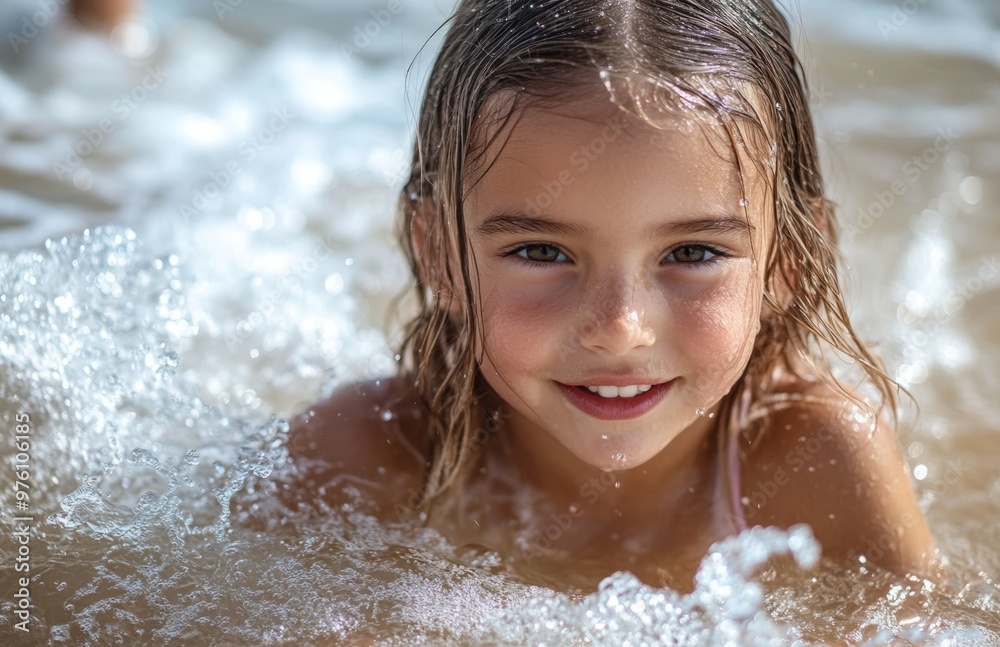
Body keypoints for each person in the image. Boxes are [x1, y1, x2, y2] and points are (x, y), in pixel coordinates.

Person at [284, 0, 940, 591]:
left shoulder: (817, 460)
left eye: (692, 253)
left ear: (786, 261)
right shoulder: (363, 458)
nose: (620, 327)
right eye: (541, 252)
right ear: (439, 257)